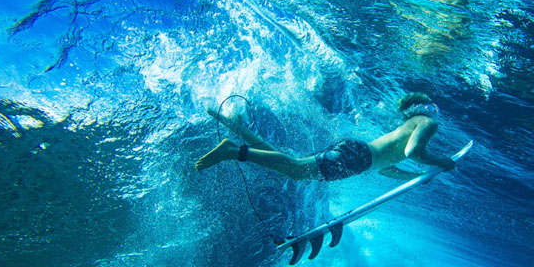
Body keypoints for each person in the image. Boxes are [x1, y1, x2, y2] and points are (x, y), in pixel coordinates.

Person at [195, 93, 455, 181]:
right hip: (357, 158)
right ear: (426, 108)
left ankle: (237, 126)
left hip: (358, 154)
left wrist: (416, 177)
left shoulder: (407, 127)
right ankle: (232, 150)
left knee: (291, 164)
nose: (435, 114)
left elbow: (386, 170)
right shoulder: (427, 122)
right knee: (295, 170)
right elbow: (414, 153)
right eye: (433, 109)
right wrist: (441, 162)